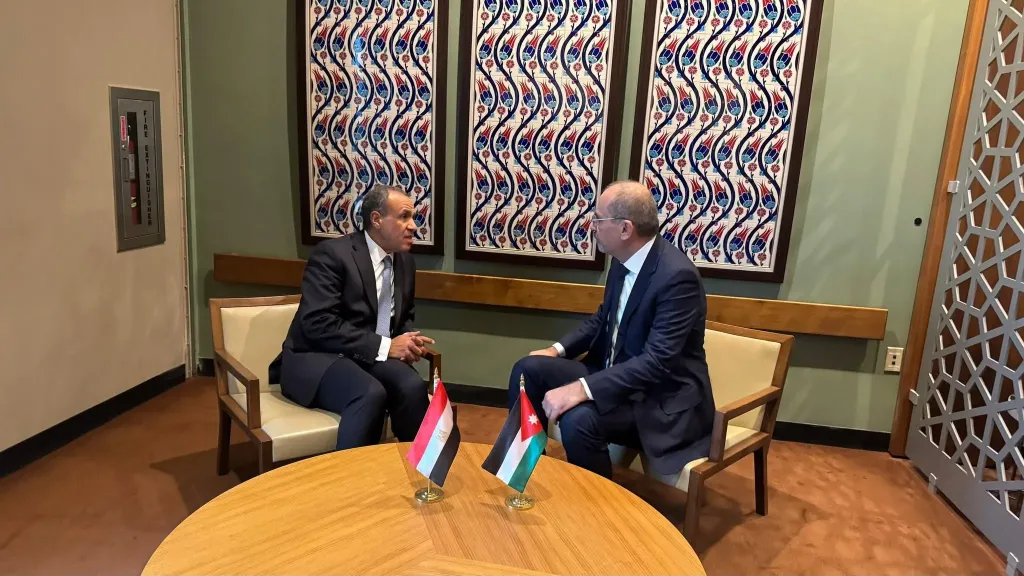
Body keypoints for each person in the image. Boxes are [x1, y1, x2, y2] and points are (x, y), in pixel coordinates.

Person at [508, 181, 715, 480]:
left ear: (625, 229)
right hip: (615, 376)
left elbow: (656, 362)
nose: (592, 226)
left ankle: (597, 504)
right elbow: (603, 319)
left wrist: (581, 389)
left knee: (579, 419)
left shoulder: (677, 278)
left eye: (598, 219)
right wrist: (556, 350)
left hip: (655, 398)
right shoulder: (622, 261)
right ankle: (527, 473)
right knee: (527, 369)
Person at [269, 185, 433, 450]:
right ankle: (353, 474)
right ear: (376, 219)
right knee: (370, 393)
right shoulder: (332, 255)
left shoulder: (405, 262)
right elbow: (317, 323)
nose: (413, 226)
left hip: (366, 355)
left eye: (413, 217)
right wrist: (386, 346)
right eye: (404, 217)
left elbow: (402, 316)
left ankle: (415, 468)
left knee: (412, 386)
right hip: (317, 355)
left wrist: (406, 340)